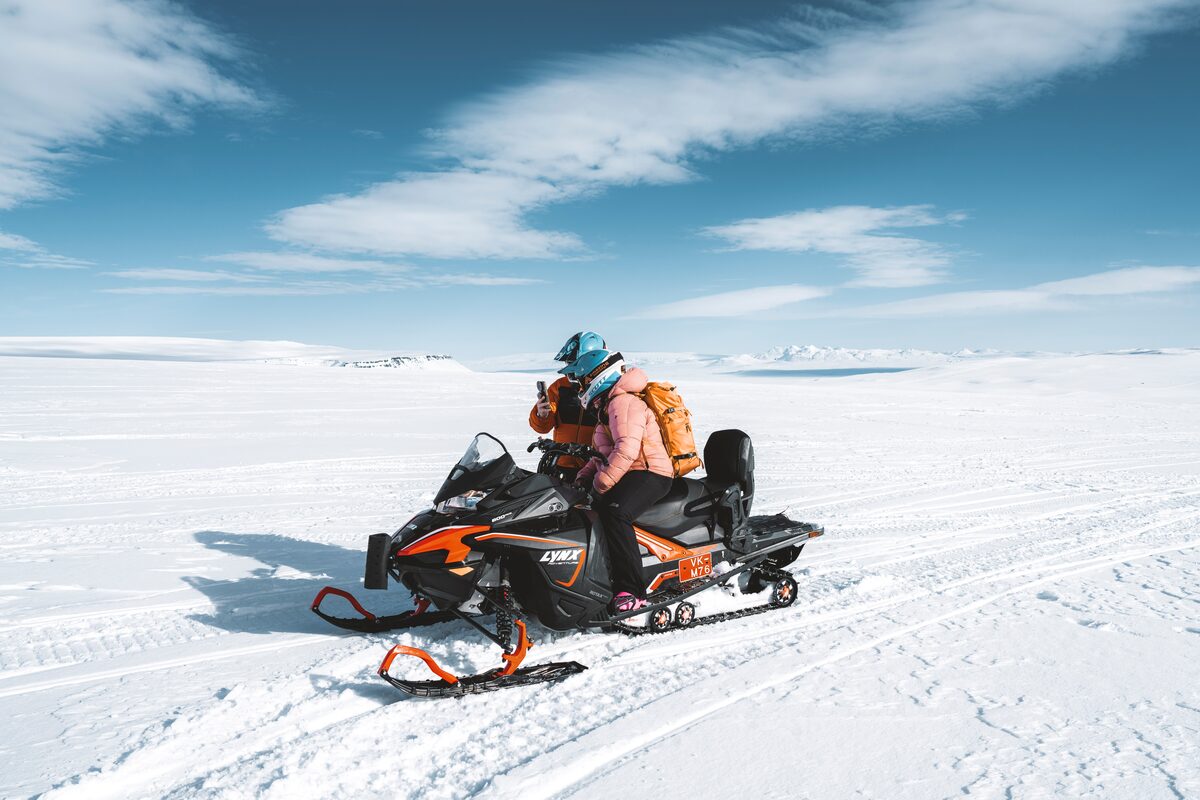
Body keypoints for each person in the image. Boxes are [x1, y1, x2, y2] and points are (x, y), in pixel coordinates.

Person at [568, 349, 673, 614]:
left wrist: (599, 485)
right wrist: (582, 479)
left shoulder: (622, 403)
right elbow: (604, 454)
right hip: (631, 470)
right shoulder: (607, 405)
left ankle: (633, 592)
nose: (580, 388)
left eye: (581, 381)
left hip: (651, 472)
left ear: (595, 377)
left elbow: (626, 449)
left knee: (615, 513)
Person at [529, 331, 606, 482]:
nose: (570, 369)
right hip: (561, 463)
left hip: (593, 466)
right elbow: (542, 428)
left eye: (575, 363)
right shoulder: (559, 387)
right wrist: (541, 415)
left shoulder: (606, 389)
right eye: (569, 363)